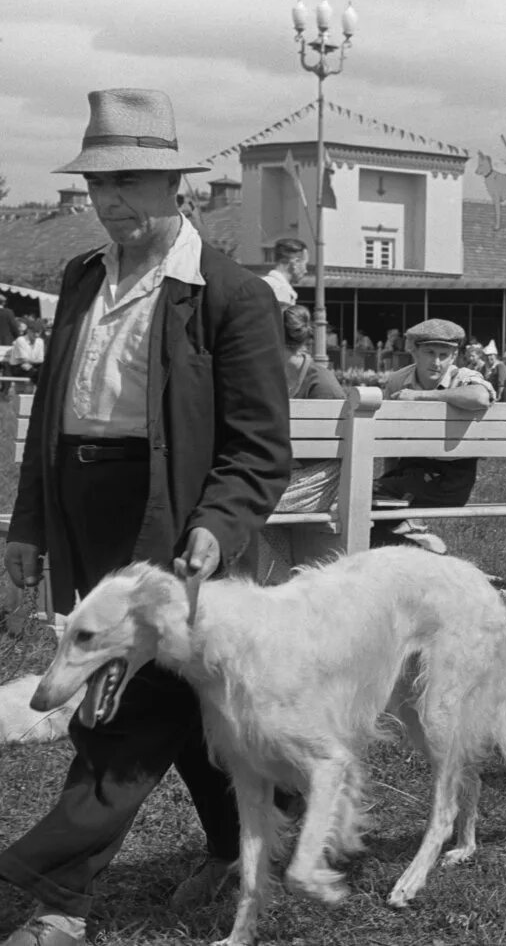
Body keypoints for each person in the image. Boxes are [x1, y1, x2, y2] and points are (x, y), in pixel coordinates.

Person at [1, 88, 291, 946]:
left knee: (120, 709)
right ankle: (257, 835)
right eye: (98, 182)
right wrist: (29, 523)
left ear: (179, 186)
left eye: (129, 178)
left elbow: (259, 445)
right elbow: (50, 412)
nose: (110, 198)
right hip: (85, 504)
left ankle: (53, 891)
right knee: (184, 698)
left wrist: (218, 522)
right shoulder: (82, 275)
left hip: (176, 516)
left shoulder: (230, 295)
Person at [371, 318, 496, 551]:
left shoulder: (463, 377)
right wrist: (389, 480)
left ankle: (420, 552)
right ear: (414, 351)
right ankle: (415, 548)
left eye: (444, 355)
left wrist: (421, 397)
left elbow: (480, 397)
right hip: (407, 473)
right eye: (429, 352)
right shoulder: (398, 380)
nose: (437, 362)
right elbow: (389, 439)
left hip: (450, 480)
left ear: (454, 356)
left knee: (366, 504)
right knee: (368, 502)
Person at [246, 304, 348, 582]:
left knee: (244, 501)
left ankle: (271, 581)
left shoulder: (321, 384)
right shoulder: (272, 377)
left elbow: (332, 451)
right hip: (288, 471)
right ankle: (274, 578)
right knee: (241, 494)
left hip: (321, 479)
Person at [263, 237, 308, 309]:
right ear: (295, 263)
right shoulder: (281, 289)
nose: (306, 270)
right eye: (305, 264)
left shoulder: (264, 283)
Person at [4, 320, 44, 388]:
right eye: (34, 332)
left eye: (38, 332)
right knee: (39, 373)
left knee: (43, 370)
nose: (36, 335)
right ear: (28, 331)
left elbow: (41, 359)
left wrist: (30, 363)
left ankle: (40, 392)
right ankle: (41, 392)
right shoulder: (20, 340)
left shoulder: (40, 341)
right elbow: (24, 359)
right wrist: (31, 362)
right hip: (17, 367)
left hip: (31, 367)